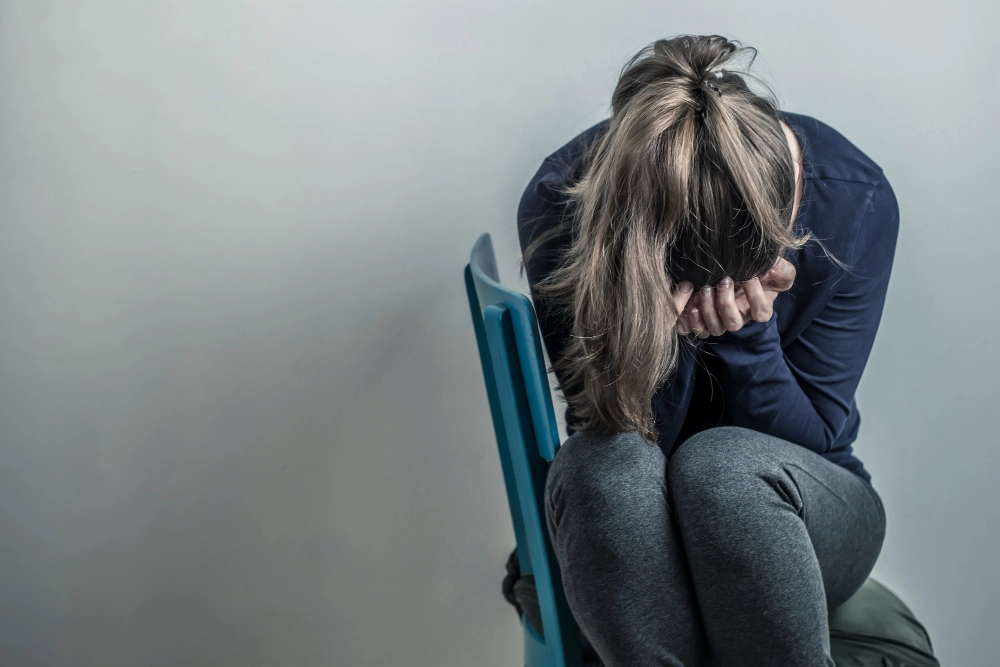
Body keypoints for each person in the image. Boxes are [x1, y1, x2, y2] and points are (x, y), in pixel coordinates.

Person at [516, 35, 898, 667]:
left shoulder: (856, 197)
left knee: (723, 473)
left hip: (802, 500)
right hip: (639, 502)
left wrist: (748, 336)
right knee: (598, 465)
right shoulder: (565, 203)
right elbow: (607, 430)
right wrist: (652, 342)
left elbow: (821, 438)